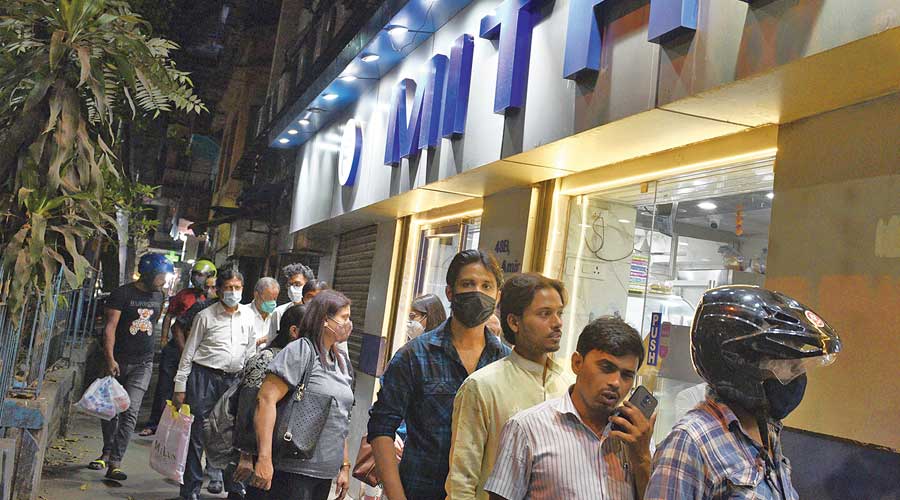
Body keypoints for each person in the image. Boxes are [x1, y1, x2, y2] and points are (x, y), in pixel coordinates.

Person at [644, 286, 842, 500]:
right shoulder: (690, 443)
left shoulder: (767, 432)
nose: (798, 376)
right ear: (741, 363)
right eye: (788, 365)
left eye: (798, 367)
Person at [368, 249, 510, 500]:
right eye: (468, 284)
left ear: (497, 296)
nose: (477, 292)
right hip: (421, 491)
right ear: (450, 292)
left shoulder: (505, 362)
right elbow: (381, 428)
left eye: (486, 285)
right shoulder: (414, 356)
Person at [484, 316, 655, 500]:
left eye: (627, 375)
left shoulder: (635, 438)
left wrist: (642, 458)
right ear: (577, 363)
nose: (615, 382)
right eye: (606, 367)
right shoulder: (526, 429)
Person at [446, 273, 573, 500]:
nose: (557, 323)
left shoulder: (568, 385)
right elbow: (461, 483)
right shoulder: (482, 386)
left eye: (559, 313)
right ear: (514, 322)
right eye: (545, 314)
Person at [246, 290, 355, 500]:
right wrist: (264, 458)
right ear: (325, 320)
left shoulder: (341, 361)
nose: (348, 324)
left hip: (324, 473)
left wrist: (344, 466)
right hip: (294, 470)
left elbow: (342, 417)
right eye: (344, 318)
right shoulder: (301, 351)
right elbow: (266, 400)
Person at [173, 268, 257, 500]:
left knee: (232, 435)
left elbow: (251, 352)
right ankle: (190, 489)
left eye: (237, 288)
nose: (233, 292)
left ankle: (235, 488)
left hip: (235, 380)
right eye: (228, 287)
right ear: (219, 290)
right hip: (204, 378)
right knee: (197, 435)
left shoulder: (249, 317)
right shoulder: (205, 316)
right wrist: (180, 386)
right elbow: (188, 354)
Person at [88, 253, 171, 480]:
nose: (164, 280)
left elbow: (153, 323)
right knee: (111, 410)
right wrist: (110, 359)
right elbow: (110, 328)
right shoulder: (122, 294)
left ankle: (115, 461)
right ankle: (106, 452)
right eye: (161, 275)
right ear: (149, 274)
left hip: (143, 363)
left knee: (130, 411)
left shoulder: (159, 296)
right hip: (116, 361)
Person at [231, 303, 309, 499]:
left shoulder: (306, 362)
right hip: (259, 452)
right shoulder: (266, 359)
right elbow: (247, 408)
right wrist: (246, 456)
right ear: (294, 331)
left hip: (284, 456)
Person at [140, 261, 217, 437]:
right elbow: (172, 319)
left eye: (202, 275)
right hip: (177, 349)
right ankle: (154, 424)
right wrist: (165, 339)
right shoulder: (185, 296)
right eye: (196, 274)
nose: (198, 279)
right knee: (165, 387)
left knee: (190, 392)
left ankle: (178, 426)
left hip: (198, 352)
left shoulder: (214, 303)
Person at [269, 262, 316, 338]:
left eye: (297, 284)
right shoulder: (279, 312)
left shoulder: (317, 313)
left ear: (308, 286)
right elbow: (272, 340)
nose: (292, 288)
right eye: (289, 285)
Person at [247, 277, 279, 346]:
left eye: (275, 299)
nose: (273, 303)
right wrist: (260, 341)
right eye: (269, 299)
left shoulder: (277, 315)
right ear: (256, 295)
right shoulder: (243, 313)